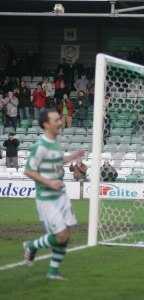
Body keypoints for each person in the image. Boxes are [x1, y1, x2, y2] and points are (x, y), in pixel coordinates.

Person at [23, 108, 85, 280]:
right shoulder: (40, 146)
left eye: (60, 119)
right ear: (46, 124)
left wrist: (73, 156)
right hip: (47, 199)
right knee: (61, 235)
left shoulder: (55, 143)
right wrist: (49, 182)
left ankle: (53, 272)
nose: (60, 122)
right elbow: (28, 171)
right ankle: (31, 245)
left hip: (61, 196)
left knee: (66, 235)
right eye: (56, 120)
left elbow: (57, 160)